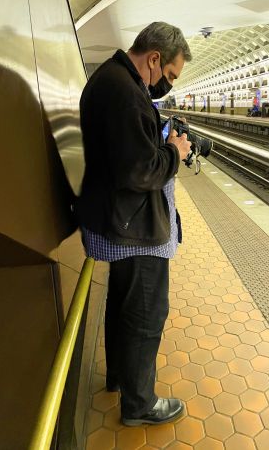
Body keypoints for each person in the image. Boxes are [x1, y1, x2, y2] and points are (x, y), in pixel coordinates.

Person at [75, 22, 192, 426]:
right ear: (154, 58)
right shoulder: (125, 93)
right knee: (146, 312)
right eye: (170, 75)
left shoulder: (113, 80)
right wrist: (175, 152)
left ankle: (119, 379)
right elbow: (140, 171)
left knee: (123, 306)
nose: (168, 84)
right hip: (132, 228)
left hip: (116, 218)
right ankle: (139, 404)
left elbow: (128, 154)